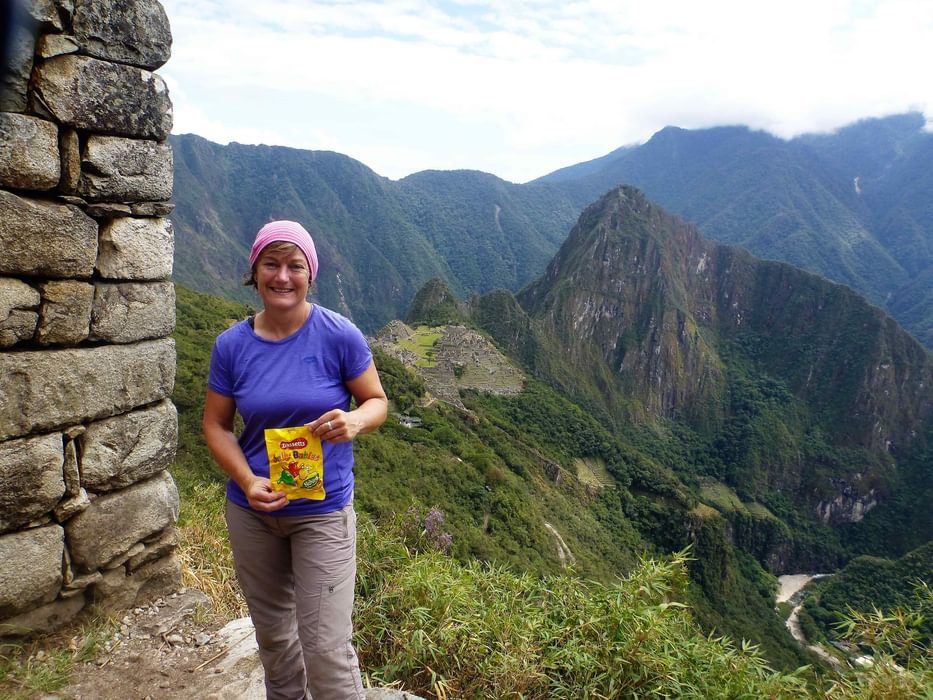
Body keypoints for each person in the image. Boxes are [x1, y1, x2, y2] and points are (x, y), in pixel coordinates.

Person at [203, 220, 388, 699]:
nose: (282, 277)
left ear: (311, 274)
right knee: (275, 642)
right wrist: (246, 482)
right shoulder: (231, 346)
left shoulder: (339, 335)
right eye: (272, 264)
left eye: (294, 266)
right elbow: (216, 425)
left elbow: (376, 400)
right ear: (255, 271)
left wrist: (355, 423)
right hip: (254, 514)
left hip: (322, 512)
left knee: (325, 647)